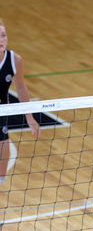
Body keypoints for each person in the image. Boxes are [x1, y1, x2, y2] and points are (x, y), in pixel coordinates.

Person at [0, 18, 40, 185]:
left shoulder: (15, 60)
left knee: (2, 140)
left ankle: (1, 179)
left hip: (1, 108)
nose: (1, 40)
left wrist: (29, 118)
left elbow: (21, 88)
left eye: (3, 35)